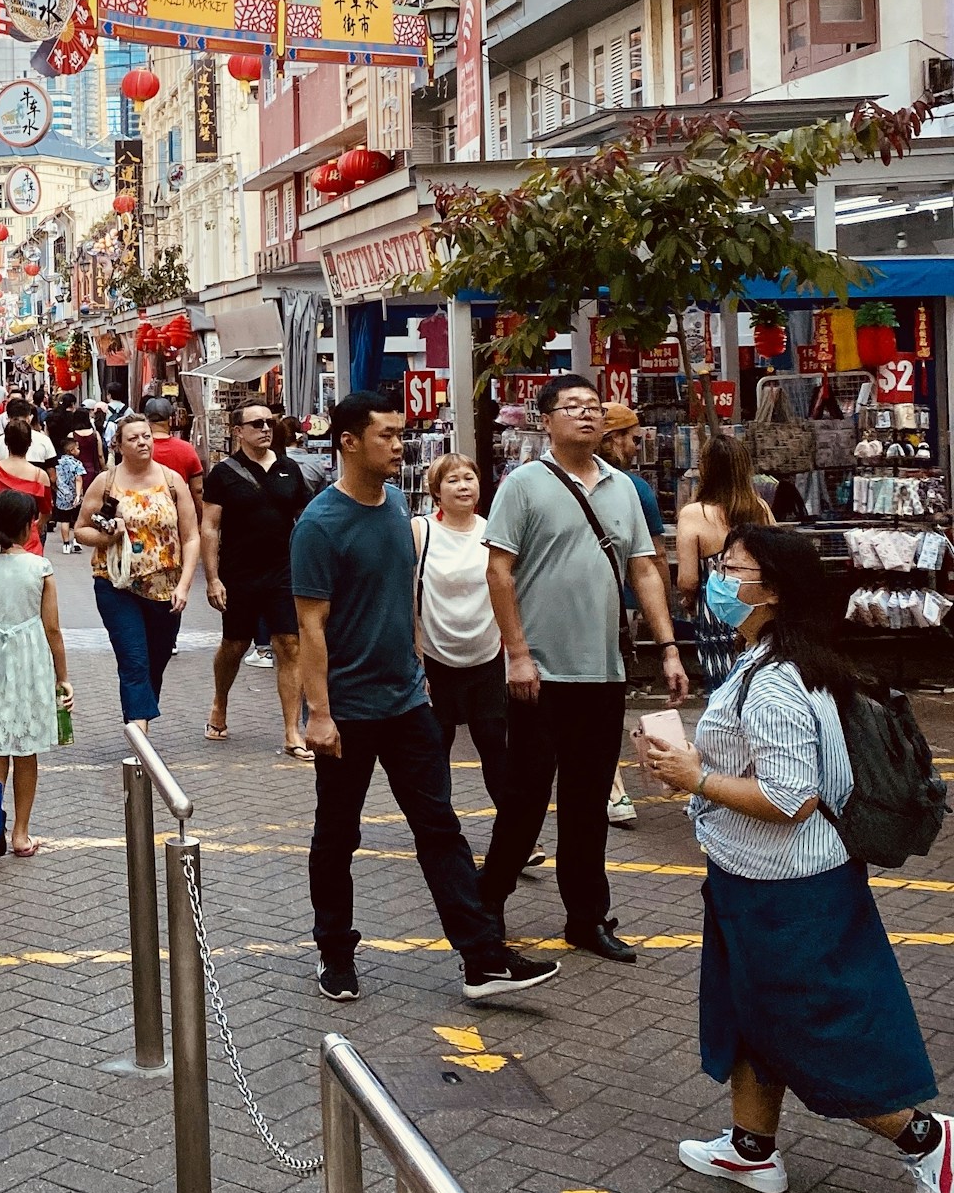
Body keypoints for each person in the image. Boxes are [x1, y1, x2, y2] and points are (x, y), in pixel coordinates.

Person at [643, 524, 954, 1193]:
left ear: (773, 590)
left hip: (788, 891)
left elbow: (791, 798)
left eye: (733, 567)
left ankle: (931, 1144)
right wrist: (697, 764)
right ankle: (752, 1151)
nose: (718, 577)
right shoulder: (773, 660)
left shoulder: (776, 681)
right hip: (759, 880)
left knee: (812, 1031)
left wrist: (696, 775)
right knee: (750, 1013)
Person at [293, 393, 559, 1007]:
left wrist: (417, 660)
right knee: (338, 835)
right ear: (349, 442)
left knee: (440, 828)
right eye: (386, 435)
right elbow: (311, 625)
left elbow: (398, 601)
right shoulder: (319, 524)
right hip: (349, 712)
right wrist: (321, 714)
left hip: (409, 702)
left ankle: (481, 957)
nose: (398, 445)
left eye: (400, 434)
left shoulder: (394, 509)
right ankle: (335, 951)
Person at [479, 376, 688, 966]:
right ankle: (487, 907)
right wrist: (516, 653)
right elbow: (499, 572)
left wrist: (667, 647)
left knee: (588, 799)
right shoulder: (522, 485)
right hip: (539, 672)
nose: (586, 416)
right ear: (545, 421)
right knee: (523, 799)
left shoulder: (624, 487)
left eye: (593, 407)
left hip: (604, 669)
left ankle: (585, 916)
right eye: (571, 407)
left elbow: (645, 568)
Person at [0, 489, 73, 858]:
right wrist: (62, 677)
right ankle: (22, 834)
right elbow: (53, 629)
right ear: (30, 526)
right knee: (26, 752)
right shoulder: (41, 568)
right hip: (31, 661)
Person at [74, 413, 200, 727]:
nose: (142, 442)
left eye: (146, 436)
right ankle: (140, 739)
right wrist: (108, 535)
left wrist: (184, 585)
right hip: (117, 585)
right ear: (118, 444)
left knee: (154, 664)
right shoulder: (107, 482)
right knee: (133, 661)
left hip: (165, 588)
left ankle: (138, 720)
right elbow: (81, 530)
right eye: (133, 438)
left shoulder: (172, 481)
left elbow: (191, 536)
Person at [202, 402, 311, 756]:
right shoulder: (223, 473)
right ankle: (220, 701)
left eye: (270, 423)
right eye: (257, 423)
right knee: (234, 645)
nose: (265, 428)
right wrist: (213, 578)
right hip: (239, 572)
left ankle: (292, 730)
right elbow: (210, 527)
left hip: (282, 571)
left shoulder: (288, 469)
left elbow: (305, 518)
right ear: (238, 431)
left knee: (289, 645)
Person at [414, 454, 515, 830]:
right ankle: (440, 830)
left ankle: (516, 838)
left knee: (495, 746)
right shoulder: (420, 532)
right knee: (435, 747)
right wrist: (415, 655)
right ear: (436, 491)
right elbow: (407, 594)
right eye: (452, 480)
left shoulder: (493, 532)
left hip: (486, 656)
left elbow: (507, 589)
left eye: (469, 478)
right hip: (435, 659)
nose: (463, 486)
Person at [597, 401, 668, 827]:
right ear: (613, 438)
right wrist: (662, 622)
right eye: (632, 438)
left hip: (585, 611)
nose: (635, 446)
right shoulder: (635, 489)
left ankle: (609, 785)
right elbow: (654, 560)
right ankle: (611, 787)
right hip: (617, 610)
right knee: (607, 699)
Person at [676, 430, 772, 692]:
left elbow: (688, 580)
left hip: (716, 614)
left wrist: (687, 601)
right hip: (759, 610)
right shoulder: (760, 508)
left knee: (724, 689)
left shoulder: (693, 514)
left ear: (705, 469)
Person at [0, 418, 55, 555]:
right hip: (28, 542)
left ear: (6, 442)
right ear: (29, 443)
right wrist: (37, 526)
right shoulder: (40, 476)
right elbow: (46, 511)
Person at [144, 396, 205, 511]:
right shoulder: (186, 449)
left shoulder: (141, 449)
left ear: (147, 420)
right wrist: (199, 520)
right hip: (179, 514)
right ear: (171, 419)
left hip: (144, 512)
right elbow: (197, 489)